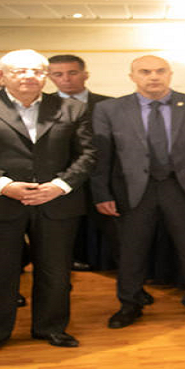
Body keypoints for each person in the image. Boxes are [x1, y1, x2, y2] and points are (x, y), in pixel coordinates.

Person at [91, 55, 185, 329]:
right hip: (133, 190)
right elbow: (102, 156)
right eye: (145, 71)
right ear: (132, 76)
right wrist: (102, 194)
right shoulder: (109, 109)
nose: (153, 76)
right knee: (131, 251)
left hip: (182, 188)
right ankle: (130, 303)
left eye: (160, 71)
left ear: (170, 74)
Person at [0, 49, 96, 355]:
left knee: (56, 272)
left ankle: (51, 327)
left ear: (45, 76)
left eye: (36, 71)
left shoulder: (72, 108)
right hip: (0, 203)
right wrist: (3, 185)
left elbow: (88, 154)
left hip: (56, 203)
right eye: (20, 71)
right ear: (1, 76)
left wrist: (60, 186)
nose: (29, 76)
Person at [47, 54, 115, 272]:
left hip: (106, 175)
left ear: (85, 74)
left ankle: (106, 262)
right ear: (49, 77)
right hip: (64, 177)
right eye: (58, 74)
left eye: (72, 72)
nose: (66, 79)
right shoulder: (43, 106)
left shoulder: (110, 104)